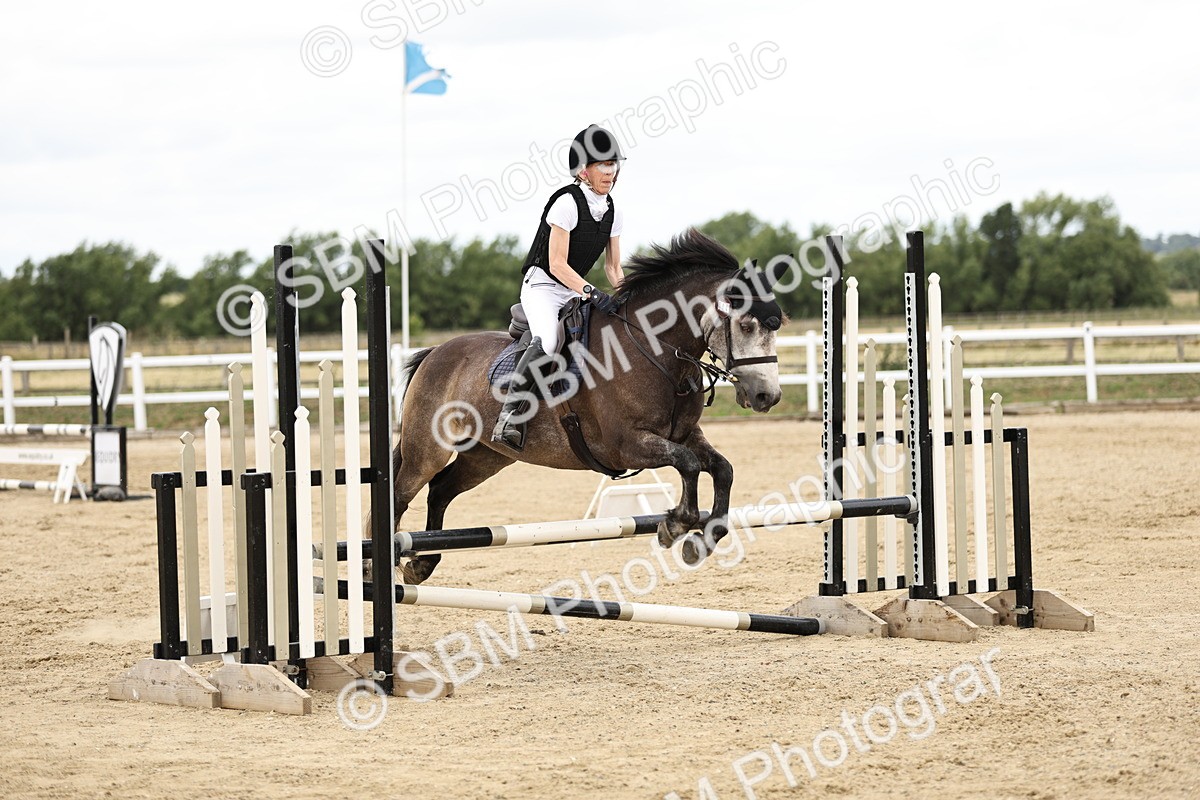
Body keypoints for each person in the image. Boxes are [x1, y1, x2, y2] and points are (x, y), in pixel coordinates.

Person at [491, 124, 626, 451]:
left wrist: (626, 297)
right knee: (550, 339)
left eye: (614, 165)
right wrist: (592, 293)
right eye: (603, 166)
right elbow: (556, 264)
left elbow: (613, 267)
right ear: (583, 171)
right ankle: (510, 415)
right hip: (542, 285)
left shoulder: (613, 210)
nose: (611, 172)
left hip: (573, 288)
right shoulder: (566, 203)